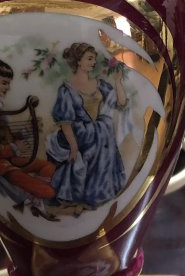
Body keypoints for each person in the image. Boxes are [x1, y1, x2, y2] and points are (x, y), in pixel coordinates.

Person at [47, 42, 127, 207]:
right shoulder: (66, 89)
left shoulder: (100, 84)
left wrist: (118, 82)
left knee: (103, 134)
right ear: (78, 61)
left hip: (98, 130)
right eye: (89, 59)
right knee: (98, 138)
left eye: (94, 59)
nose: (93, 62)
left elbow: (120, 102)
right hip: (76, 133)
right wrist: (73, 146)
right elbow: (66, 122)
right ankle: (85, 193)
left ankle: (100, 190)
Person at [0, 56, 56, 202]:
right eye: (4, 83)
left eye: (8, 83)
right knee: (48, 192)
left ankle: (33, 195)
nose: (7, 88)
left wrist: (25, 132)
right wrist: (15, 147)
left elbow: (3, 137)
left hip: (9, 160)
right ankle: (33, 197)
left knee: (48, 167)